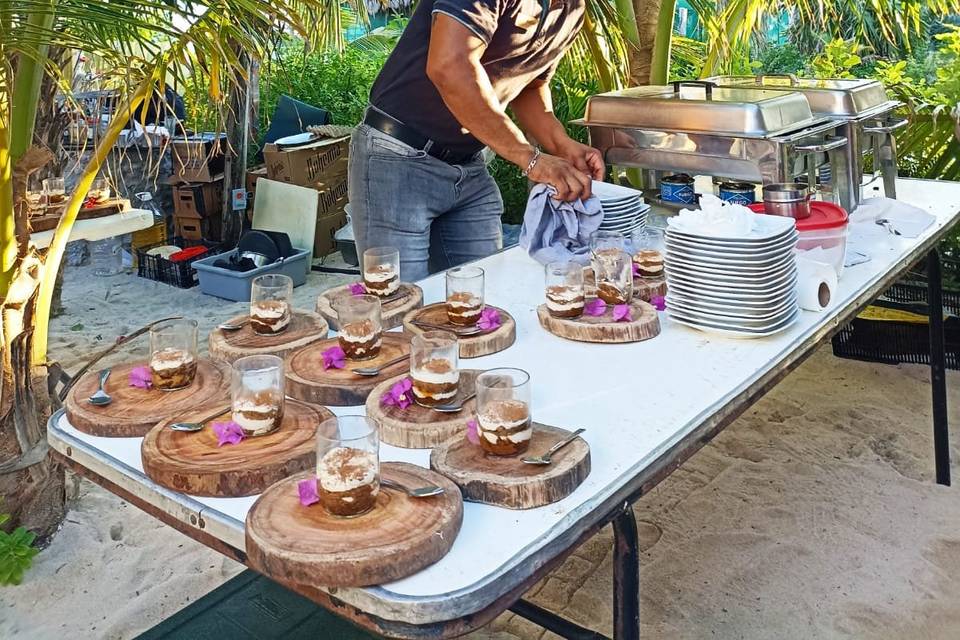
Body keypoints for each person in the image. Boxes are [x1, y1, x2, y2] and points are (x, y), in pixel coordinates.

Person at [348, 0, 605, 280]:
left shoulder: (571, 10)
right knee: (400, 305)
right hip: (397, 157)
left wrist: (562, 145)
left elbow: (530, 85)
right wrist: (530, 159)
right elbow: (449, 65)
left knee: (484, 301)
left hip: (469, 167)